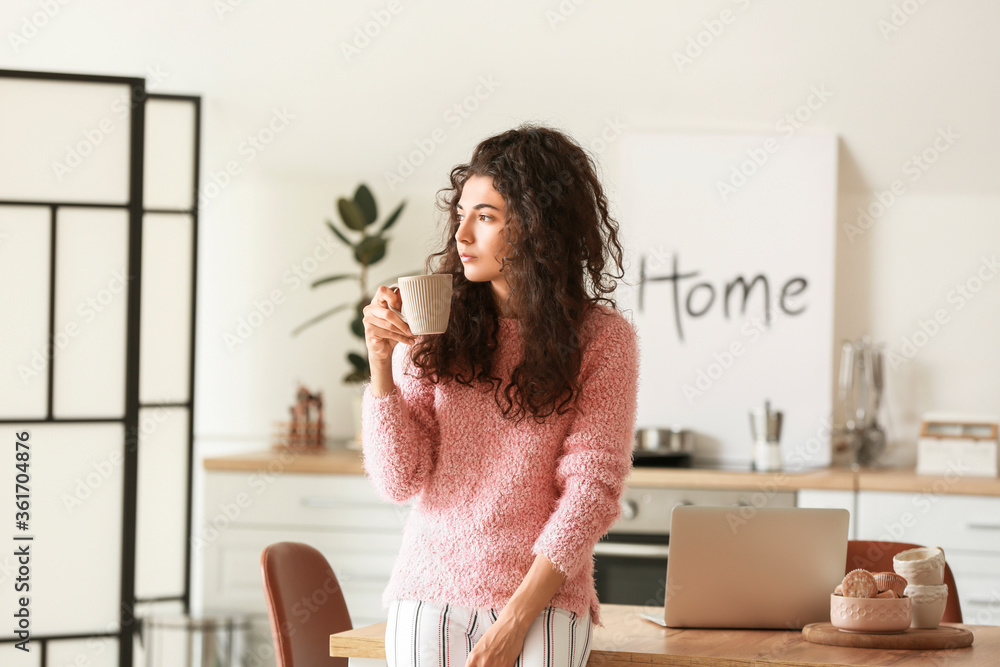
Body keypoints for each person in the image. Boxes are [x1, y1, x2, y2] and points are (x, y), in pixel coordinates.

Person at [360, 124, 640, 667]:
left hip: (542, 603)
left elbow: (592, 490)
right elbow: (400, 479)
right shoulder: (432, 323)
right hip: (429, 592)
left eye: (485, 217)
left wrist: (515, 619)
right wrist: (382, 366)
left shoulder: (602, 339)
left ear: (539, 229)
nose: (461, 234)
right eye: (461, 213)